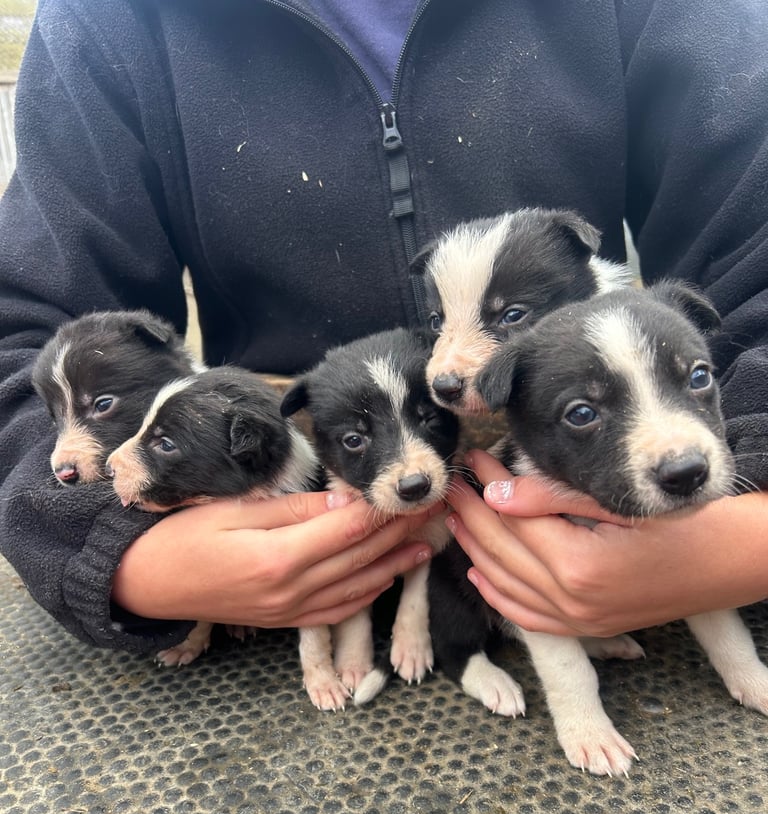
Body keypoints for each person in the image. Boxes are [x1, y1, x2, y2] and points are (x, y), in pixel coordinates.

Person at [1, 0, 768, 657]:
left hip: (651, 542)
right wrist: (118, 550)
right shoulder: (112, 21)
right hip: (265, 573)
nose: (450, 364)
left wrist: (749, 536)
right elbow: (27, 332)